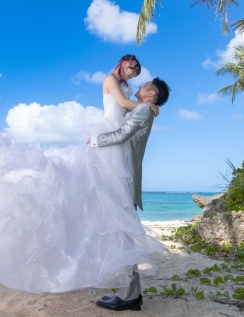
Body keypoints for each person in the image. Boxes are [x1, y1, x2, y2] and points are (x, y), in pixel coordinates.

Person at [0, 56, 169, 297]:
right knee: (95, 207)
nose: (136, 81)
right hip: (109, 153)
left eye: (140, 81)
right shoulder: (117, 85)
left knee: (103, 213)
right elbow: (123, 107)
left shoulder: (140, 105)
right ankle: (125, 287)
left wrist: (134, 117)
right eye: (134, 72)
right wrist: (147, 108)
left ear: (151, 93)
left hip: (111, 154)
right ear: (124, 63)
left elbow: (125, 123)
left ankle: (126, 288)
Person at [89, 77, 170, 312]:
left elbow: (122, 135)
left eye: (144, 85)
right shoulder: (145, 109)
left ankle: (129, 296)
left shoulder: (144, 110)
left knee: (122, 238)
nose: (140, 86)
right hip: (123, 177)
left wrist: (94, 141)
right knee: (120, 236)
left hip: (123, 180)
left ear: (151, 94)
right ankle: (130, 293)